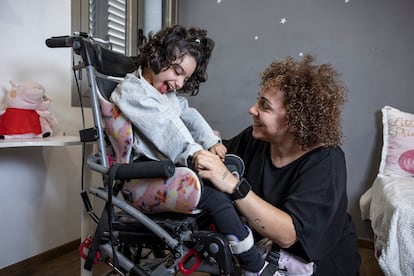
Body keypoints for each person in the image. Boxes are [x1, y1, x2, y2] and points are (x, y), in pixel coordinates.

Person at [110, 25, 265, 273]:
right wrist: (194, 153)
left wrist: (211, 142)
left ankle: (236, 241)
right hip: (143, 173)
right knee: (215, 197)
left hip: (168, 167)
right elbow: (165, 129)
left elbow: (187, 113)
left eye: (185, 78)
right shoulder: (132, 92)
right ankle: (252, 264)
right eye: (176, 71)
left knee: (229, 177)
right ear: (157, 57)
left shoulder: (163, 92)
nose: (179, 82)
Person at [193, 54, 361, 275]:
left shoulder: (326, 162)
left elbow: (288, 234)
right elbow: (220, 159)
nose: (252, 109)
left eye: (264, 106)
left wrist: (232, 185)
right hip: (270, 257)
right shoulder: (256, 139)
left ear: (295, 119)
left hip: (321, 266)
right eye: (258, 100)